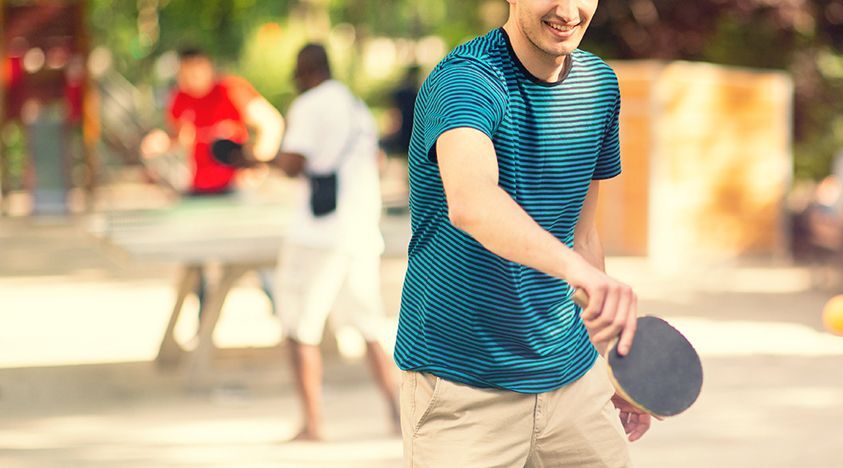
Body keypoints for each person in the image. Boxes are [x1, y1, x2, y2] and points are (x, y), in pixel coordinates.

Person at [394, 0, 651, 466]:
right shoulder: (466, 79)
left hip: (573, 377)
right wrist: (583, 274)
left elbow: (584, 235)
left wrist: (618, 363)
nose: (568, 10)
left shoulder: (599, 86)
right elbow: (472, 202)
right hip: (463, 389)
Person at [270, 44, 399, 441]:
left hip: (319, 235)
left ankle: (312, 424)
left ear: (303, 69)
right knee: (368, 326)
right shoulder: (356, 106)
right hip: (360, 231)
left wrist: (255, 161)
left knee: (298, 327)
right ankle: (399, 416)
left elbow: (292, 164)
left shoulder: (309, 105)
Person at [141, 47, 284, 194]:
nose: (194, 74)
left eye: (198, 66)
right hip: (199, 187)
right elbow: (181, 138)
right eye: (187, 68)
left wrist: (258, 167)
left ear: (209, 65)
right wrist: (161, 143)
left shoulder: (231, 89)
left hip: (236, 186)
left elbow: (272, 123)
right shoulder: (180, 98)